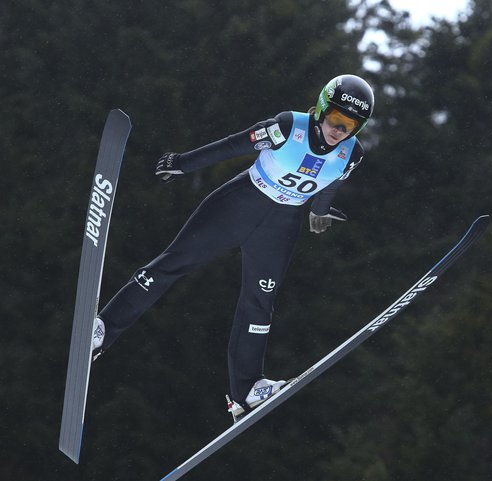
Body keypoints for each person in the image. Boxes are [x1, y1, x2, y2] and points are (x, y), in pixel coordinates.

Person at [91, 74, 375, 421]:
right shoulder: (287, 128)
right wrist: (183, 163)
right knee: (172, 264)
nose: (339, 130)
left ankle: (246, 391)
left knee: (260, 303)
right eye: (335, 118)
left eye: (350, 125)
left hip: (280, 227)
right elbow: (234, 145)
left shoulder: (352, 154)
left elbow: (331, 181)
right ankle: (103, 329)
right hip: (239, 205)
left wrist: (318, 211)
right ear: (321, 107)